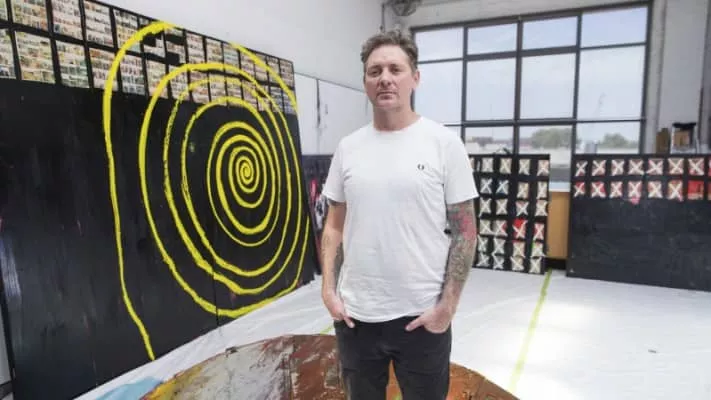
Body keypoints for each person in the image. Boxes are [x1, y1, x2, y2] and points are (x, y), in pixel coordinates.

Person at [319, 29, 479, 399]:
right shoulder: (348, 148)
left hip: (422, 317)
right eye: (375, 71)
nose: (385, 78)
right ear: (365, 82)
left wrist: (447, 307)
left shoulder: (444, 144)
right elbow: (334, 226)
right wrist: (329, 290)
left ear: (415, 78)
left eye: (395, 69)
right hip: (356, 318)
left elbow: (466, 231)